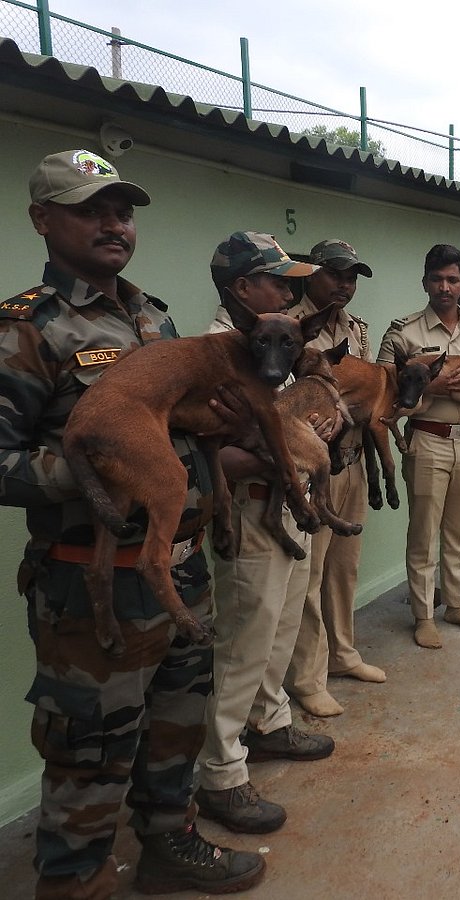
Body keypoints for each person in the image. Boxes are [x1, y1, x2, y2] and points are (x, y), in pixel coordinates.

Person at [1, 149, 264, 896]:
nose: (114, 224)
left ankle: (167, 844)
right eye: (91, 208)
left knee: (176, 728)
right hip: (91, 591)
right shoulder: (26, 331)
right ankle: (75, 881)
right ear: (42, 219)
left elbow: (179, 439)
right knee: (90, 754)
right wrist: (108, 474)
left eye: (123, 210)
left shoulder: (155, 318)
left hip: (178, 571)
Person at [197, 232, 334, 836]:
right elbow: (208, 455)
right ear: (240, 289)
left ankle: (269, 721)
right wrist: (289, 457)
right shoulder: (212, 354)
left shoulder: (278, 340)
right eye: (276, 279)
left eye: (290, 279)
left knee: (279, 626)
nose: (288, 288)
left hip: (290, 506)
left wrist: (311, 437)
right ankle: (221, 774)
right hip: (249, 510)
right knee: (242, 642)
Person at [377, 244, 460, 649]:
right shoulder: (404, 331)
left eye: (452, 280)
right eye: (437, 279)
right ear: (425, 283)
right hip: (428, 439)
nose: (444, 287)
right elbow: (383, 389)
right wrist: (432, 385)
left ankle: (456, 604)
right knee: (423, 532)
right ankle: (422, 615)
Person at [286, 238, 384, 719]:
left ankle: (344, 654)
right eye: (335, 274)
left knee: (344, 567)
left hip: (351, 460)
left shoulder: (358, 331)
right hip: (310, 471)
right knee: (309, 574)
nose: (345, 285)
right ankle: (307, 677)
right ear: (309, 273)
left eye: (352, 277)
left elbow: (365, 399)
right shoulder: (289, 324)